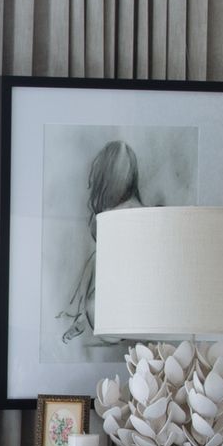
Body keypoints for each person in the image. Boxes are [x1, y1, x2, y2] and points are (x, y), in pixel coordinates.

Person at [59, 138, 142, 344]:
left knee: (98, 259)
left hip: (116, 314)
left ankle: (79, 318)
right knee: (98, 259)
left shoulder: (115, 216)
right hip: (127, 308)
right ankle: (80, 318)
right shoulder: (138, 210)